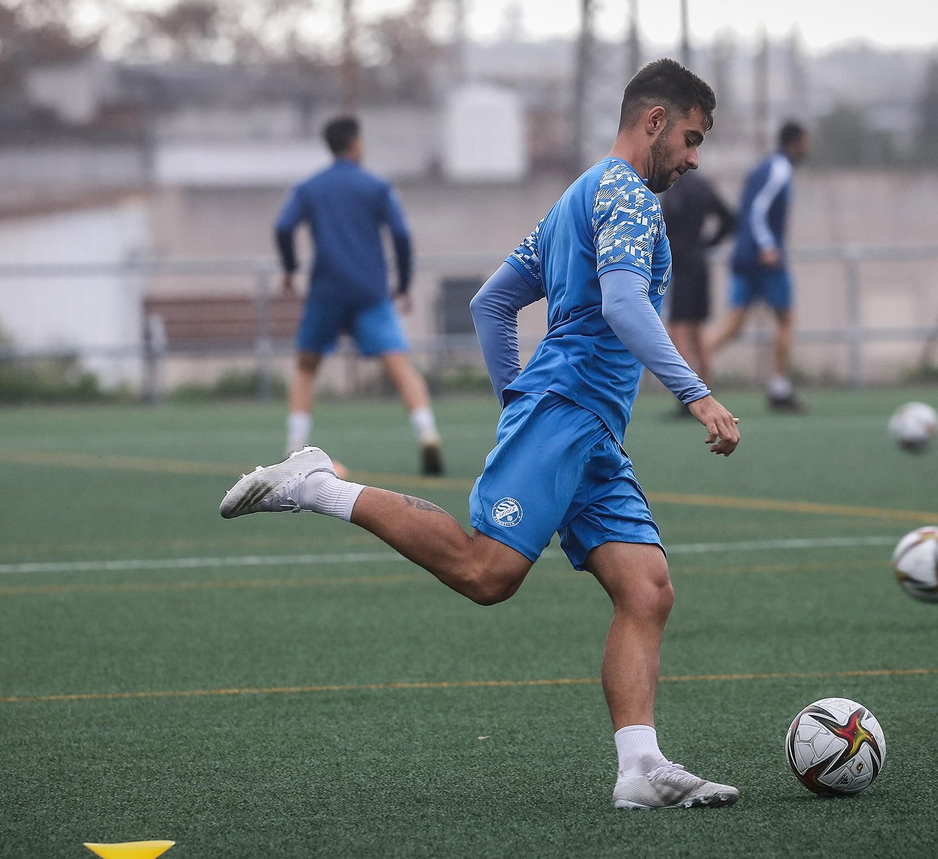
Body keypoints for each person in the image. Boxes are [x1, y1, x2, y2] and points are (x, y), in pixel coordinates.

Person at [224, 60, 743, 810]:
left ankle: (639, 768)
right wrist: (696, 394)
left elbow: (490, 304)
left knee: (647, 588)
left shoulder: (577, 195)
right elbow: (626, 306)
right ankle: (316, 483)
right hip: (568, 411)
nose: (695, 159)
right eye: (692, 139)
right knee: (486, 573)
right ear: (655, 121)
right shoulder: (628, 195)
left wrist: (514, 405)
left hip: (584, 426)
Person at [274, 116, 444, 475]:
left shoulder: (310, 187)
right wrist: (404, 282)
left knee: (306, 369)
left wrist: (289, 269)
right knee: (400, 367)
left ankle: (293, 446)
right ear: (355, 144)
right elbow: (400, 233)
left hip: (326, 291)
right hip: (370, 291)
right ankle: (427, 434)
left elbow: (284, 226)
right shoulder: (376, 186)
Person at [711, 121, 811, 413]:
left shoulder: (763, 168)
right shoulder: (779, 168)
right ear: (795, 142)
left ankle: (689, 377)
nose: (808, 148)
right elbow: (756, 210)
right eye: (806, 141)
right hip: (763, 260)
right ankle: (779, 391)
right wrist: (767, 246)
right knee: (785, 319)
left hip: (745, 256)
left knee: (733, 325)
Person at [658, 169, 735, 413]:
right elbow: (731, 219)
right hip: (700, 264)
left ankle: (687, 395)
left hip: (679, 266)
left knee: (679, 328)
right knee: (697, 329)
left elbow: (664, 228)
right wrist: (707, 244)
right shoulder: (703, 186)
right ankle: (705, 391)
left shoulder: (673, 189)